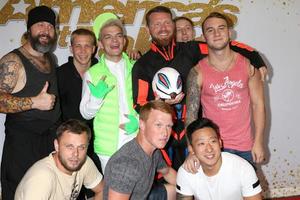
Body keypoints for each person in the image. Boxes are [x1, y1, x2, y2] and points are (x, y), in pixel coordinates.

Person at [132, 5, 266, 171]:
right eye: (156, 24)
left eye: (167, 23)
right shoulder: (142, 65)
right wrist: (160, 105)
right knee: (176, 185)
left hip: (198, 134)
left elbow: (222, 45)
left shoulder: (191, 49)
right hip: (166, 138)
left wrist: (256, 58)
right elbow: (139, 104)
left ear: (173, 25)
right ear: (148, 28)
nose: (163, 28)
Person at [185, 12, 266, 167]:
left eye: (221, 28)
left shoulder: (248, 66)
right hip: (213, 148)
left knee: (249, 192)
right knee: (217, 191)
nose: (216, 33)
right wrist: (192, 149)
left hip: (246, 146)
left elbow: (258, 105)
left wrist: (259, 141)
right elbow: (191, 116)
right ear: (204, 37)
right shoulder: (197, 72)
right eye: (210, 30)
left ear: (229, 33)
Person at [0, 6, 61, 199]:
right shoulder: (13, 61)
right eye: (40, 25)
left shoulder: (49, 58)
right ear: (29, 29)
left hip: (49, 142)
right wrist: (34, 102)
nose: (45, 30)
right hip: (22, 146)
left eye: (50, 26)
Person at [80, 12, 139, 171]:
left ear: (124, 40)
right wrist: (96, 99)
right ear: (100, 43)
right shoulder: (92, 73)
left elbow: (147, 104)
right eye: (108, 37)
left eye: (118, 36)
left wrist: (139, 121)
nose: (114, 40)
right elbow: (85, 114)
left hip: (137, 139)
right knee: (114, 193)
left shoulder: (137, 68)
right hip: (108, 148)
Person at [57, 28, 103, 199]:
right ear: (71, 48)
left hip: (98, 143)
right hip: (71, 144)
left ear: (94, 48)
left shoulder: (102, 71)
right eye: (78, 46)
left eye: (87, 46)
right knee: (70, 190)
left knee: (97, 189)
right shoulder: (60, 74)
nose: (83, 51)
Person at [103, 100, 177, 200]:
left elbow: (167, 172)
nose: (165, 133)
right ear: (142, 124)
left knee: (177, 190)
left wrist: (194, 188)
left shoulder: (154, 151)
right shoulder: (126, 165)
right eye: (158, 125)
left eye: (169, 126)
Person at [15, 119, 104, 200]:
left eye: (81, 147)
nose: (76, 154)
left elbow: (102, 190)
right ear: (57, 146)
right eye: (70, 147)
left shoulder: (84, 162)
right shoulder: (42, 178)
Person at [176, 118, 262, 200]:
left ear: (220, 143)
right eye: (201, 143)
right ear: (191, 149)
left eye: (213, 141)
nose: (209, 149)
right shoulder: (186, 172)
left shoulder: (243, 168)